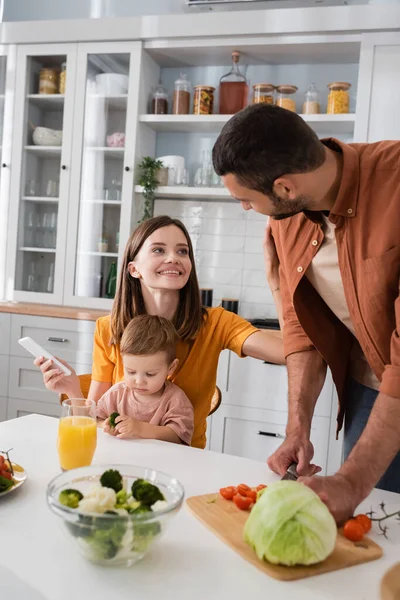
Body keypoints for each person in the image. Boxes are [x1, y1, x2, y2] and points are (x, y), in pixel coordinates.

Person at [212, 102, 400, 523]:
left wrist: (350, 481)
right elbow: (302, 325)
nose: (246, 209)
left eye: (246, 200)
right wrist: (298, 428)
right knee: (380, 526)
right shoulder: (287, 216)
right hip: (372, 387)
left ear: (285, 188)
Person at [35, 215, 285, 450]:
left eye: (182, 251)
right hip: (121, 454)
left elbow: (288, 352)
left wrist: (277, 282)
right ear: (134, 269)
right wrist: (72, 390)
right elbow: (95, 420)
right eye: (158, 250)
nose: (173, 258)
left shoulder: (217, 324)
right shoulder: (108, 328)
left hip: (185, 460)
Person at [97, 314, 194, 445]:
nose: (139, 381)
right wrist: (105, 425)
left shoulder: (175, 400)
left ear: (171, 367)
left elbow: (178, 437)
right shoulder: (116, 394)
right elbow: (95, 420)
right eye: (131, 372)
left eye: (150, 374)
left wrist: (140, 429)